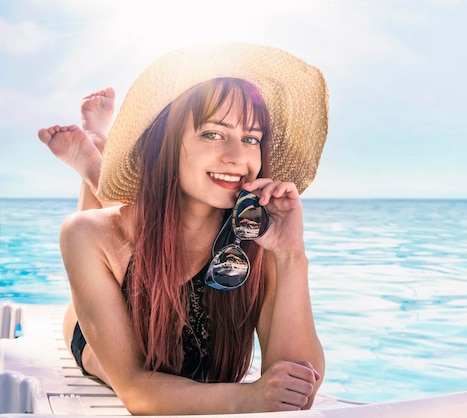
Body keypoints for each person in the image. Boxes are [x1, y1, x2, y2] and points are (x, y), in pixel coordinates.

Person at [37, 43, 328, 415]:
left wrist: (291, 255)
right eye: (213, 133)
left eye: (251, 138)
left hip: (151, 222)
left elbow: (299, 387)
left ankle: (98, 160)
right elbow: (136, 391)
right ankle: (96, 165)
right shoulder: (83, 235)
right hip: (98, 329)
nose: (238, 157)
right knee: (108, 228)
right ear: (166, 143)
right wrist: (248, 398)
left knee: (134, 217)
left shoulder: (258, 238)